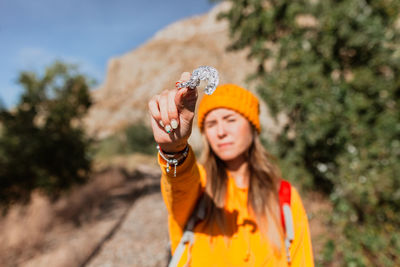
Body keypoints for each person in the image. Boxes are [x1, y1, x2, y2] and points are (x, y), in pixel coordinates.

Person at [148, 72, 314, 266]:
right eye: (211, 124)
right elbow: (179, 182)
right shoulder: (199, 186)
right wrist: (174, 149)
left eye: (230, 119)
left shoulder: (284, 197)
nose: (220, 132)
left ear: (252, 127)